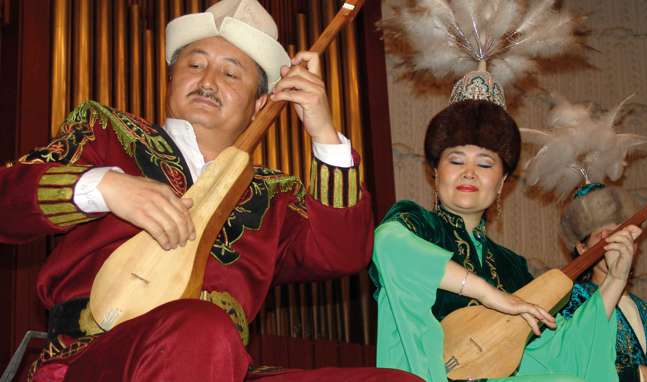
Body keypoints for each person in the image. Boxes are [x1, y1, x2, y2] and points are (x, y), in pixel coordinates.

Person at [0, 1, 421, 381]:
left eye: (231, 73)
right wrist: (104, 186)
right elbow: (8, 200)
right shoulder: (106, 132)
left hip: (223, 365)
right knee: (200, 329)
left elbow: (343, 251)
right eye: (194, 65)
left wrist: (323, 132)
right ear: (170, 79)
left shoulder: (274, 194)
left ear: (261, 104)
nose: (208, 81)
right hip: (95, 357)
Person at [370, 70, 642, 382]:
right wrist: (489, 294)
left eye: (485, 164)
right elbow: (386, 245)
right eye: (456, 161)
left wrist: (614, 281)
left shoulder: (512, 267)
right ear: (435, 172)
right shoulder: (414, 225)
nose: (470, 173)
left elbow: (557, 352)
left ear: (501, 183)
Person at [560, 185, 647, 382]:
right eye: (603, 236)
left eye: (623, 234)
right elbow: (568, 365)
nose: (616, 243)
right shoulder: (570, 300)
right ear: (582, 248)